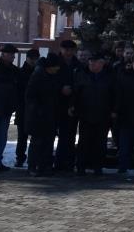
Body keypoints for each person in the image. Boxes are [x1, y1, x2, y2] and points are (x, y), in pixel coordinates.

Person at [72, 53, 115, 175]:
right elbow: (76, 93)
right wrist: (73, 106)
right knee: (84, 142)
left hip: (103, 114)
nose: (92, 66)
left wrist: (114, 110)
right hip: (85, 113)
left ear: (101, 63)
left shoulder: (109, 77)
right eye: (90, 63)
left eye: (94, 63)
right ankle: (81, 166)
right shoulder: (82, 74)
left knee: (100, 142)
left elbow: (115, 94)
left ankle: (98, 166)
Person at [24, 55, 63, 176]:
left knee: (48, 141)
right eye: (56, 67)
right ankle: (32, 166)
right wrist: (38, 109)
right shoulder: (38, 76)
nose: (57, 69)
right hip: (38, 115)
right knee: (37, 141)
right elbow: (30, 96)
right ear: (50, 67)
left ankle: (44, 165)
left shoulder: (52, 76)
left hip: (50, 114)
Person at [54, 39, 83, 171]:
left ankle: (69, 163)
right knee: (56, 135)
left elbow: (80, 84)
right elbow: (49, 80)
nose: (68, 52)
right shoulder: (54, 62)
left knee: (70, 135)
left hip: (72, 104)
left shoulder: (77, 65)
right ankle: (58, 163)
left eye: (71, 50)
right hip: (56, 103)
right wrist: (60, 88)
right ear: (61, 49)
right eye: (66, 49)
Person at [14, 47, 39, 167]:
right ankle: (20, 157)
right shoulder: (21, 72)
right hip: (23, 108)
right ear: (27, 58)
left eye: (35, 58)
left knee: (33, 136)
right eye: (31, 58)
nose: (33, 61)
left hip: (33, 109)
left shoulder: (38, 72)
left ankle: (30, 158)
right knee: (22, 136)